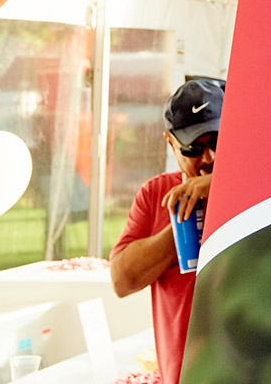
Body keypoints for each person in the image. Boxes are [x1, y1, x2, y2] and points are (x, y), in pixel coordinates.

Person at [112, 79, 225, 384]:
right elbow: (123, 281)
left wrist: (221, 186)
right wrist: (181, 223)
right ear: (170, 143)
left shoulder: (248, 186)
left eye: (216, 142)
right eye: (193, 148)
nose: (209, 158)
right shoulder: (156, 195)